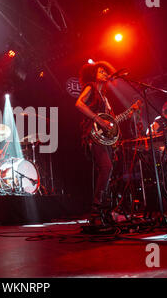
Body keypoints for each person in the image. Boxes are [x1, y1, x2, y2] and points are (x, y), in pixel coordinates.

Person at [75, 61, 118, 224]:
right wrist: (97, 119)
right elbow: (78, 103)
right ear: (93, 74)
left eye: (105, 72)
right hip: (92, 134)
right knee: (106, 167)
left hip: (104, 138)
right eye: (101, 71)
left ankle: (104, 210)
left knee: (109, 170)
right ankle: (96, 209)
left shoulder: (105, 97)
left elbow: (111, 121)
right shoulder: (91, 87)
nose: (104, 74)